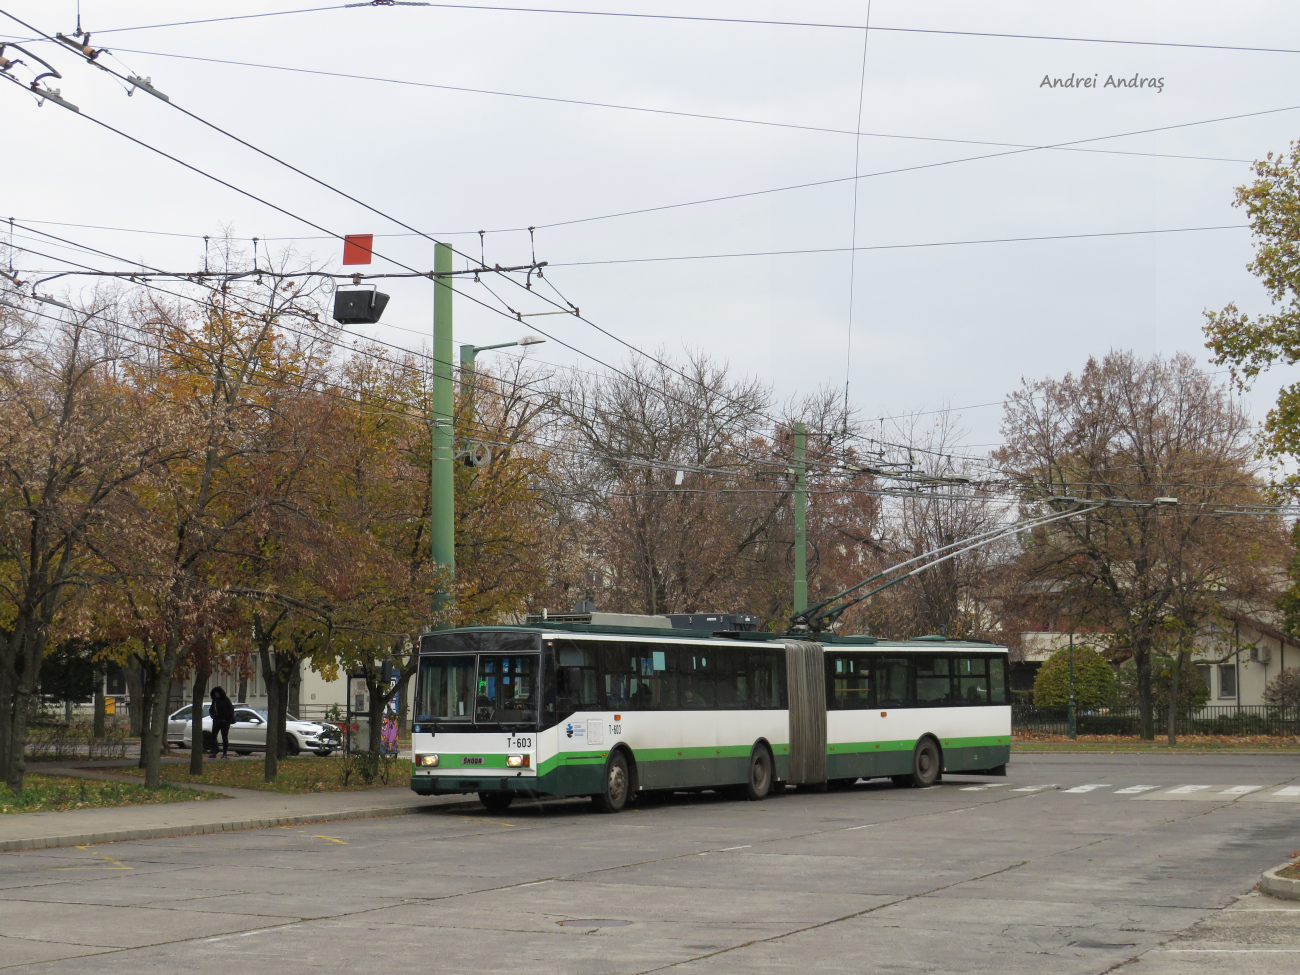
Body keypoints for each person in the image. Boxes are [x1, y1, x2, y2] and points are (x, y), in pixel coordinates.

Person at [209, 686, 235, 759]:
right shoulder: (214, 701)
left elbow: (231, 710)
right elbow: (211, 710)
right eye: (215, 693)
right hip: (216, 721)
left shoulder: (226, 700)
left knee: (224, 737)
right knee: (213, 736)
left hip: (224, 722)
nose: (216, 695)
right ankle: (214, 752)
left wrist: (226, 717)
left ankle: (224, 753)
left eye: (217, 693)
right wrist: (213, 716)